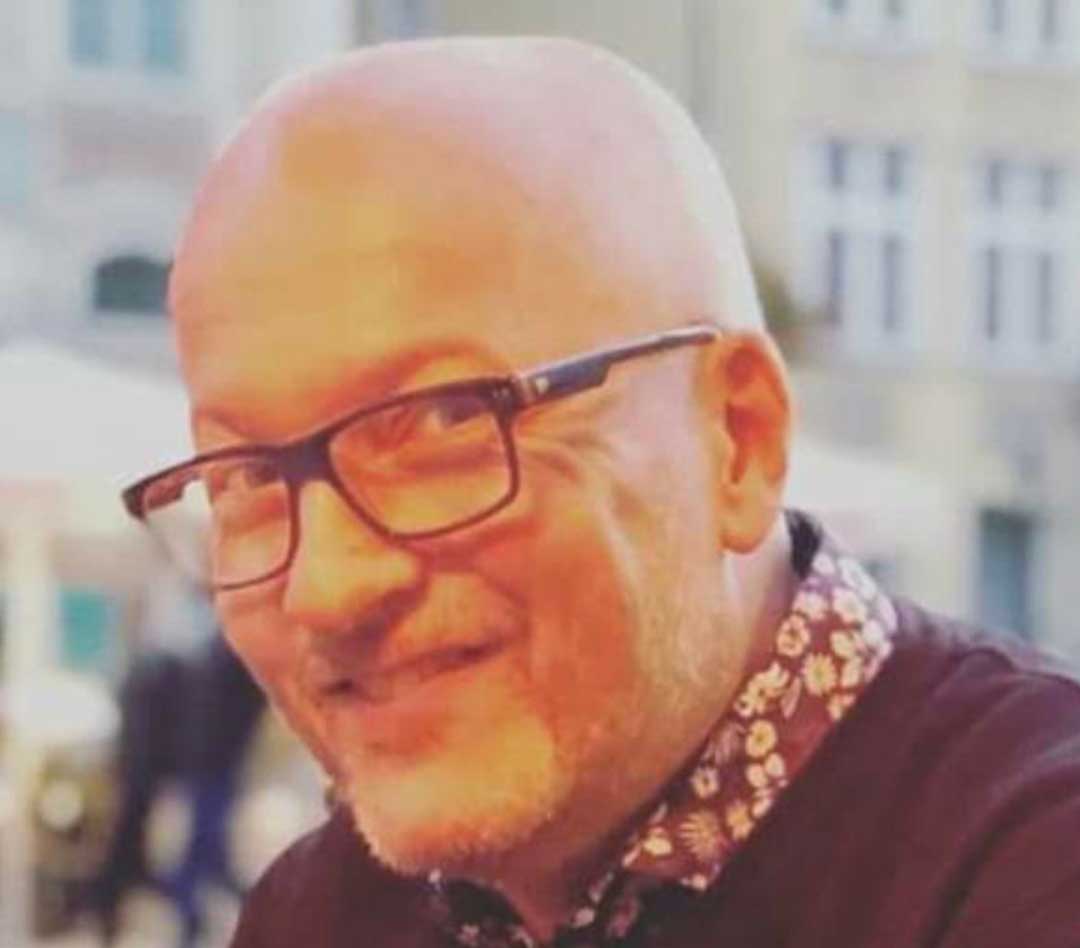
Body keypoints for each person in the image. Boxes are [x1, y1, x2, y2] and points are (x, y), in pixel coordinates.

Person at [120, 38, 1080, 947]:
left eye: (445, 422)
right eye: (246, 478)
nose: (327, 590)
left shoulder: (1031, 861)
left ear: (737, 438)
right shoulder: (318, 912)